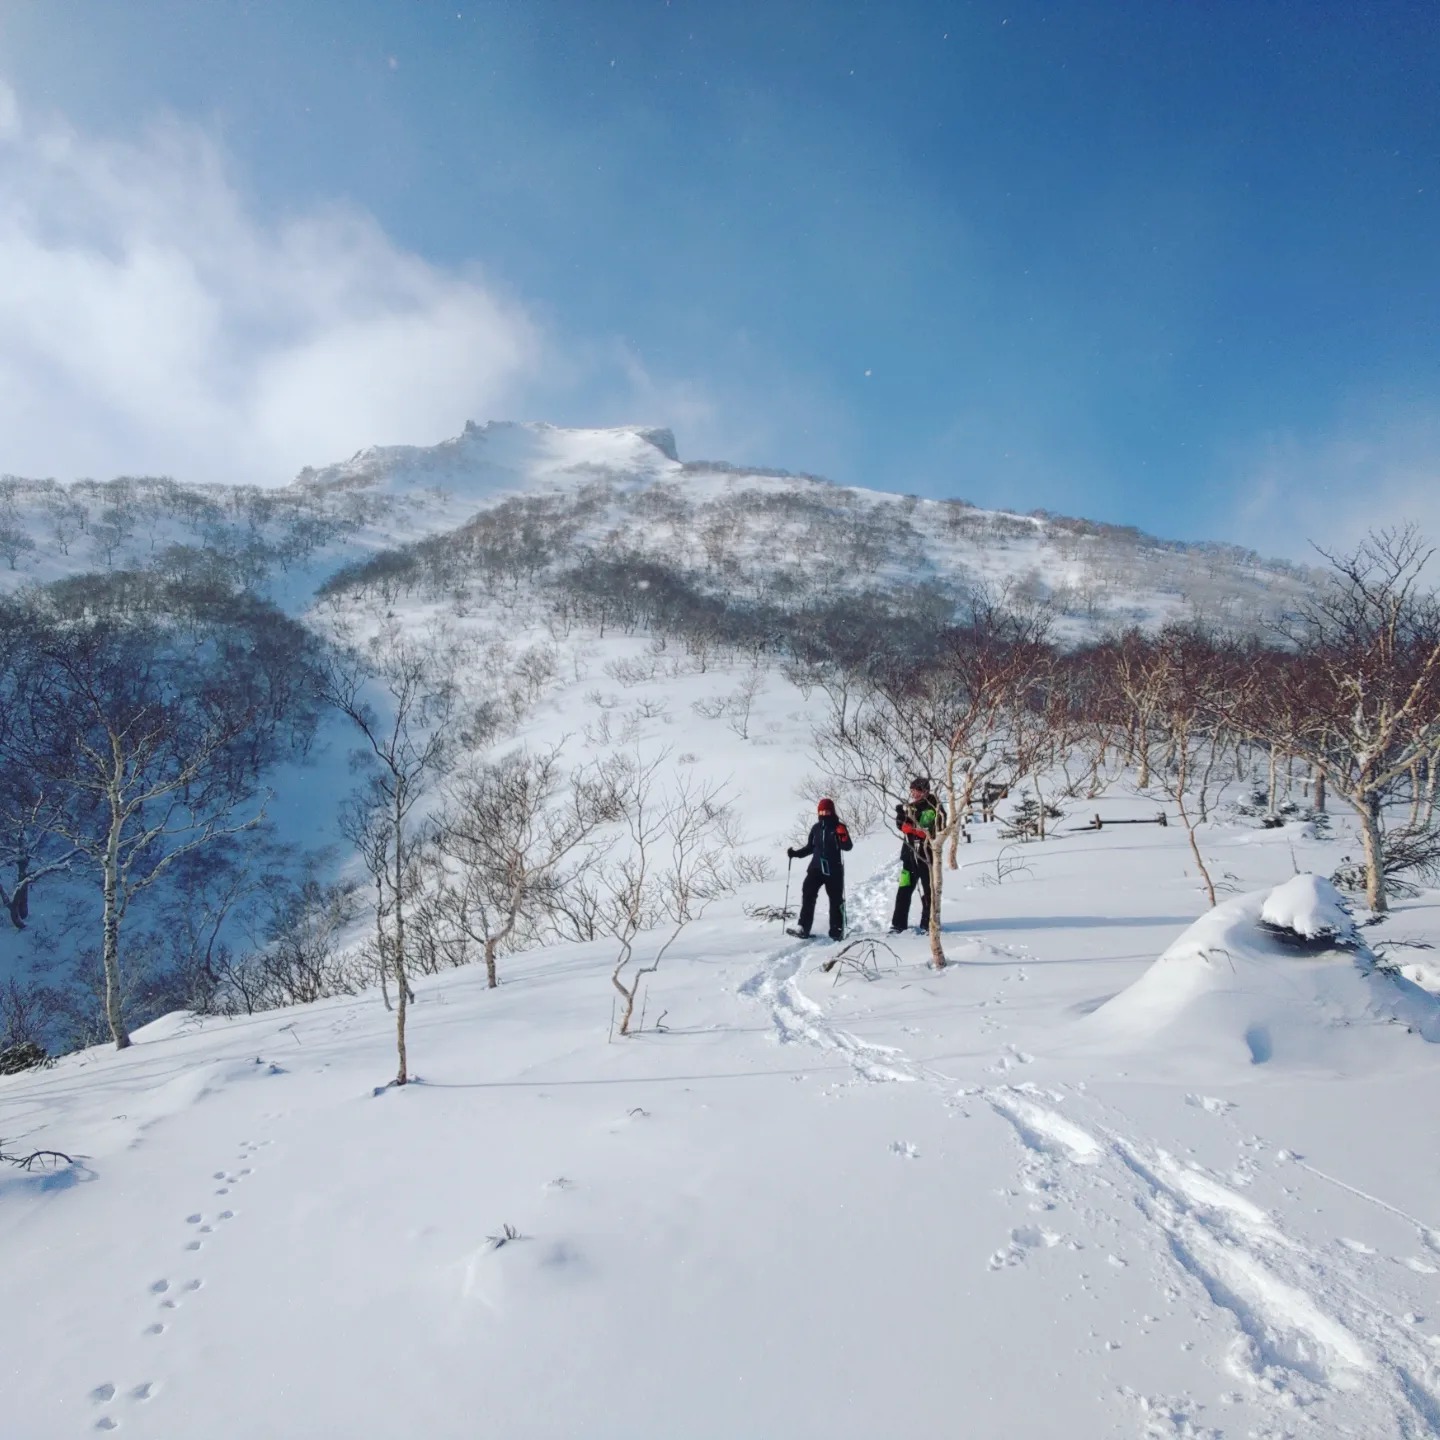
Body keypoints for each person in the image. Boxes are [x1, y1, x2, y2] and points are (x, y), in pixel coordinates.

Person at [786, 798, 852, 941]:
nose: (824, 813)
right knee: (808, 894)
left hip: (834, 869)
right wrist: (795, 854)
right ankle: (803, 928)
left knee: (836, 900)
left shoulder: (839, 827)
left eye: (826, 810)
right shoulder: (816, 828)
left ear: (832, 811)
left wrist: (843, 836)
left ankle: (837, 931)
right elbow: (810, 848)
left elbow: (847, 847)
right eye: (821, 811)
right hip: (816, 868)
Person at [891, 776, 944, 934]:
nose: (913, 794)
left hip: (926, 857)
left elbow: (929, 831)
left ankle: (928, 924)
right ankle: (898, 924)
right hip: (909, 856)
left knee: (928, 891)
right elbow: (903, 825)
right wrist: (901, 816)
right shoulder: (912, 807)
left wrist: (912, 830)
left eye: (916, 791)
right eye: (912, 791)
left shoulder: (933, 807)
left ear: (925, 791)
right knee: (904, 889)